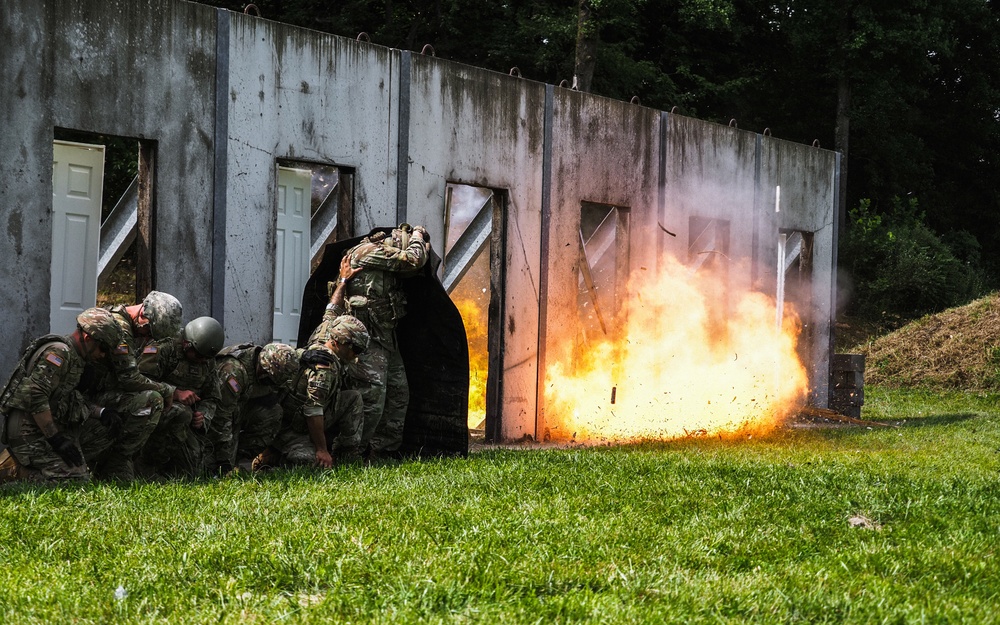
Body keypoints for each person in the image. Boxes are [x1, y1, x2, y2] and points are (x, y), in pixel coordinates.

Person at [315, 224, 429, 458]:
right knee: (372, 397)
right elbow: (414, 259)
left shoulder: (380, 255)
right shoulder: (368, 252)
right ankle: (351, 452)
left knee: (399, 394)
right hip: (364, 339)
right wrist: (418, 234)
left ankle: (381, 451)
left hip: (386, 336)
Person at [0, 308, 123, 482]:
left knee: (102, 433)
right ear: (88, 338)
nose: (102, 355)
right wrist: (56, 439)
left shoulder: (77, 359)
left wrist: (102, 412)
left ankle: (69, 466)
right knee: (73, 481)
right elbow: (35, 395)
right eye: (102, 348)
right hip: (28, 431)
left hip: (52, 428)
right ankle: (15, 471)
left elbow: (69, 401)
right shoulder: (59, 352)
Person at [78, 290, 186, 480]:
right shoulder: (121, 329)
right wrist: (167, 390)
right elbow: (129, 379)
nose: (147, 338)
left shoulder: (126, 325)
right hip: (88, 399)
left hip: (101, 394)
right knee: (152, 401)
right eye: (149, 332)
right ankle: (117, 460)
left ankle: (125, 463)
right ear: (143, 316)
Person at [263, 316, 369, 469]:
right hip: (293, 428)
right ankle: (272, 456)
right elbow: (313, 410)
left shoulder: (328, 350)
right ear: (339, 343)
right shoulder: (325, 368)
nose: (356, 355)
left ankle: (347, 455)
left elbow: (331, 312)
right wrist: (322, 450)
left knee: (353, 398)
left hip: (310, 417)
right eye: (356, 349)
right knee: (309, 460)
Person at [137, 316, 225, 478]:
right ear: (187, 345)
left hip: (186, 422)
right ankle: (146, 466)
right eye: (199, 356)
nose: (202, 361)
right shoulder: (164, 350)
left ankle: (167, 470)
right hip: (156, 413)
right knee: (181, 412)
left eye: (206, 358)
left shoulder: (207, 361)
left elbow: (212, 396)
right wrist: (174, 393)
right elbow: (139, 382)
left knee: (189, 473)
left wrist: (203, 416)